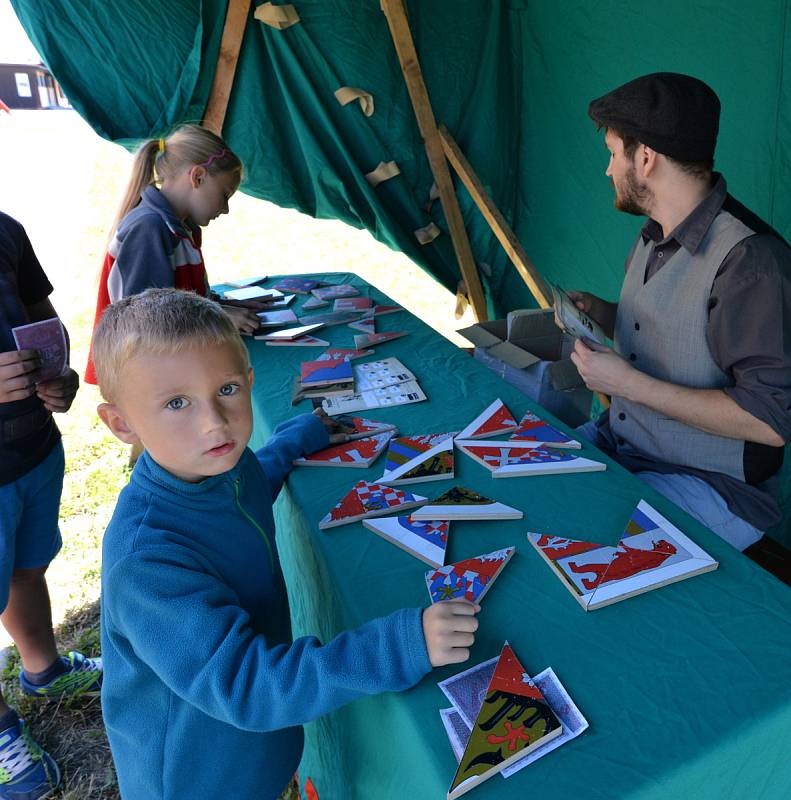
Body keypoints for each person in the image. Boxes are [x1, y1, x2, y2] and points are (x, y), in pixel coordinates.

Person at [92, 288, 480, 800]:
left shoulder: (220, 465)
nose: (214, 421)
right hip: (197, 781)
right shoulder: (147, 561)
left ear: (249, 381)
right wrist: (400, 646)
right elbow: (248, 688)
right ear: (121, 424)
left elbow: (253, 481)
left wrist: (296, 438)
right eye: (177, 403)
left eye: (227, 389)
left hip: (253, 760)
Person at [566, 72, 790, 552]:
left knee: (582, 551)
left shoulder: (751, 265)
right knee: (529, 481)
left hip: (711, 484)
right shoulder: (657, 228)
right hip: (629, 443)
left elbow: (770, 424)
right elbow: (674, 329)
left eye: (612, 153)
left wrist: (625, 383)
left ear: (644, 157)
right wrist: (601, 313)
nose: (608, 170)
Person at [0, 211, 102, 800]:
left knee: (24, 567)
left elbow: (42, 322)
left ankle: (43, 670)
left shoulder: (5, 228)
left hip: (32, 448)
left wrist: (58, 376)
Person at [84, 124, 260, 385]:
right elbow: (146, 323)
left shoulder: (181, 226)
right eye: (224, 195)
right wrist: (217, 318)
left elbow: (182, 298)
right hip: (145, 378)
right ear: (197, 177)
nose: (225, 209)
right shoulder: (149, 228)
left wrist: (221, 306)